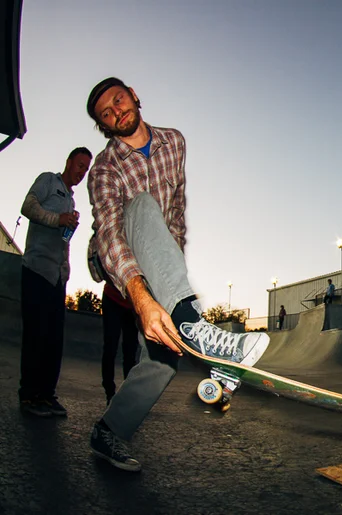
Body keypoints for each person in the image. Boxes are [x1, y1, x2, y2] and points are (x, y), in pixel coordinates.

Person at [84, 77, 269, 472]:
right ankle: (196, 329)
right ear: (104, 125)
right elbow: (110, 232)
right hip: (120, 267)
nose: (117, 112)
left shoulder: (174, 142)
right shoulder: (103, 169)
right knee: (142, 205)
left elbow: (177, 215)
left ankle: (108, 431)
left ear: (133, 95)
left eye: (119, 101)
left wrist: (171, 276)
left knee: (164, 360)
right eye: (107, 114)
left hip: (159, 267)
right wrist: (143, 294)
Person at [18, 147, 92, 417]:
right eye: (79, 165)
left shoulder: (72, 202)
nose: (81, 172)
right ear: (69, 162)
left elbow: (63, 239)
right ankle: (29, 396)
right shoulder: (48, 180)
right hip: (37, 269)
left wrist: (66, 266)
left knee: (53, 338)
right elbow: (27, 206)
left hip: (57, 276)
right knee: (35, 334)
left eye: (86, 169)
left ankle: (47, 394)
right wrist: (56, 219)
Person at [101, 272, 140, 405]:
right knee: (110, 346)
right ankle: (109, 392)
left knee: (130, 351)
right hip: (112, 298)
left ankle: (127, 393)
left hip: (132, 305)